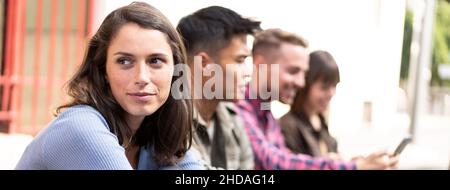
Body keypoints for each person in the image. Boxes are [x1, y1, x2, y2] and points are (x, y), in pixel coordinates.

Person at [15, 2, 204, 170]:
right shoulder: (80, 128)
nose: (142, 77)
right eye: (124, 61)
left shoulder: (158, 134)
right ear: (103, 69)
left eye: (155, 60)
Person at [236, 29, 398, 169]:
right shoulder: (240, 109)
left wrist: (335, 162)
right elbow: (274, 163)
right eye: (293, 71)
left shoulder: (266, 113)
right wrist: (354, 166)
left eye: (304, 74)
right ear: (261, 64)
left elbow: (284, 157)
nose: (301, 82)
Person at [280, 50, 399, 168]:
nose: (331, 93)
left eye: (334, 86)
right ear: (305, 85)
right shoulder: (287, 126)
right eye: (324, 87)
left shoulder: (319, 120)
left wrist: (352, 163)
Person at [176, 6, 260, 169]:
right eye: (240, 60)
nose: (248, 73)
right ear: (204, 64)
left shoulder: (233, 118)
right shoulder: (170, 120)